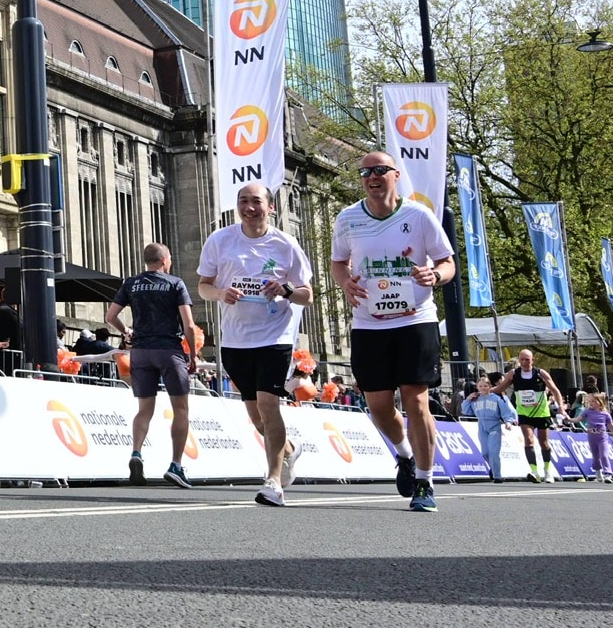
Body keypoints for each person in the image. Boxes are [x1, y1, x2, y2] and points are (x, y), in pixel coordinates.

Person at [330, 151, 457, 513]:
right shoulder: (348, 218)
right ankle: (404, 455)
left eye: (379, 170)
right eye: (365, 172)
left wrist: (435, 276)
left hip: (415, 318)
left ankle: (425, 481)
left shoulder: (419, 215)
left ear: (395, 175)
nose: (372, 177)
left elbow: (446, 262)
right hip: (370, 322)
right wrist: (345, 284)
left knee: (416, 400)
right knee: (380, 406)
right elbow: (338, 262)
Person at [198, 184, 317, 507]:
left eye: (256, 202)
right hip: (236, 339)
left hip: (275, 336)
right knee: (256, 417)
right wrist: (221, 294)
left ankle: (274, 481)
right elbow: (204, 287)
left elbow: (307, 295)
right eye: (243, 202)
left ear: (271, 207)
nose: (250, 208)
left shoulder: (285, 245)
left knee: (268, 405)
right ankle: (289, 450)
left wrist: (287, 289)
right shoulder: (220, 240)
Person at [108, 242, 202, 491]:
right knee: (180, 409)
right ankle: (176, 465)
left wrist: (126, 332)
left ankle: (136, 453)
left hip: (140, 351)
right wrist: (193, 356)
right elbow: (189, 325)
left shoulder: (131, 283)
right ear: (164, 260)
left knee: (144, 409)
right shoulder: (175, 283)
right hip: (169, 350)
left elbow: (110, 316)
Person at [506, 349, 567, 482]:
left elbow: (555, 390)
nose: (524, 362)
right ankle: (534, 472)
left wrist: (561, 407)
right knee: (528, 440)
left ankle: (547, 471)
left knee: (544, 443)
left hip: (541, 413)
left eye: (527, 359)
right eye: (521, 359)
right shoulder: (513, 374)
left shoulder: (540, 373)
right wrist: (484, 391)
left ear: (532, 360)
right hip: (524, 413)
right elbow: (500, 388)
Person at [466, 372, 518, 482]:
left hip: (494, 426)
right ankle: (493, 468)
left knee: (494, 452)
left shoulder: (496, 399)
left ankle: (497, 476)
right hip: (481, 426)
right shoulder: (475, 399)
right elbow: (467, 411)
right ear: (477, 387)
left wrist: (508, 422)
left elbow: (506, 412)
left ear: (490, 386)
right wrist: (467, 400)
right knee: (485, 453)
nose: (483, 388)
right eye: (480, 386)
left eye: (485, 386)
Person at [581, 390, 613, 483]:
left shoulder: (605, 414)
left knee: (604, 455)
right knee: (595, 456)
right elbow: (578, 419)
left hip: (602, 436)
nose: (590, 403)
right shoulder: (587, 412)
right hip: (592, 436)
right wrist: (569, 420)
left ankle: (608, 474)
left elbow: (611, 426)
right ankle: (598, 473)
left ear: (599, 402)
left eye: (593, 401)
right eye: (589, 401)